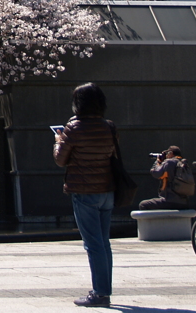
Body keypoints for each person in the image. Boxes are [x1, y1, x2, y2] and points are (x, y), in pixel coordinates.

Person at [54, 83, 116, 308]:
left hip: (84, 191)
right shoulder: (108, 126)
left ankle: (100, 294)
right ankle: (104, 290)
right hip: (107, 190)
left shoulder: (74, 127)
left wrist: (58, 141)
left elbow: (61, 160)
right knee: (104, 242)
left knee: (93, 244)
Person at [138, 145, 189, 210]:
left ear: (171, 153)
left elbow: (155, 173)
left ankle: (156, 221)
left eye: (167, 154)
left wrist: (158, 162)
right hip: (184, 203)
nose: (166, 156)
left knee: (143, 205)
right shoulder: (184, 164)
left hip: (170, 201)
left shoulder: (169, 162)